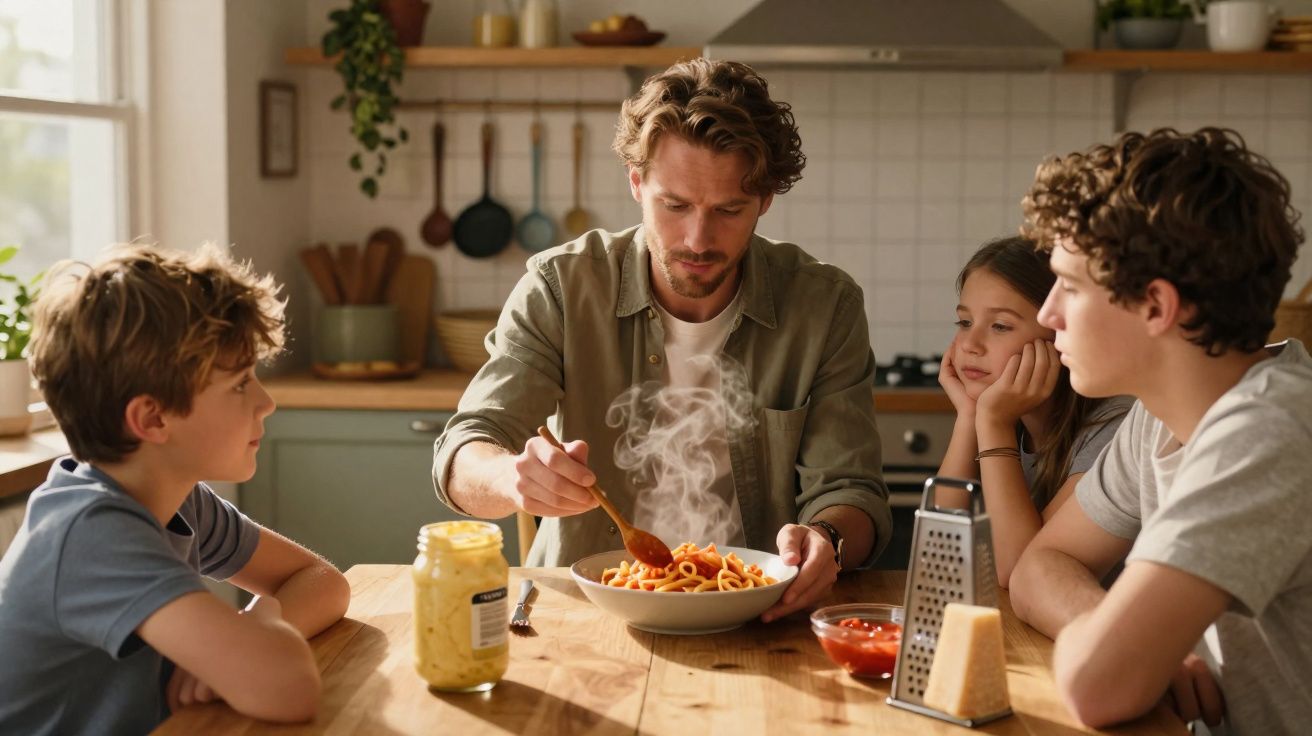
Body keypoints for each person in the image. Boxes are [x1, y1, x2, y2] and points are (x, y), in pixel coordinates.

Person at [432, 58, 891, 622]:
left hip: (760, 615)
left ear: (765, 200)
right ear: (636, 183)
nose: (699, 239)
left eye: (728, 210)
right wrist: (509, 477)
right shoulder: (560, 287)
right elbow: (463, 452)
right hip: (585, 616)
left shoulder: (825, 306)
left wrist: (827, 539)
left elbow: (853, 491)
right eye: (674, 206)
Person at [1007, 127, 1312, 733]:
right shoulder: (1159, 415)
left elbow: (1097, 688)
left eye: (1069, 287)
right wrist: (1116, 631)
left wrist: (1115, 650)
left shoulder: (1267, 434)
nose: (1047, 316)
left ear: (1156, 305)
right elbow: (1039, 567)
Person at [0, 244, 351, 733]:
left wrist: (250, 633)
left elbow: (322, 580)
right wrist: (263, 624)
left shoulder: (175, 497)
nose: (266, 402)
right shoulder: (91, 533)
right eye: (240, 383)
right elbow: (286, 689)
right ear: (153, 418)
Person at [936, 237, 1129, 585]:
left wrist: (991, 422)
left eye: (1000, 326)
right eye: (965, 323)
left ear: (1060, 329)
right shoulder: (1009, 417)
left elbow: (1019, 572)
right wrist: (969, 416)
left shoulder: (1114, 428)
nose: (970, 344)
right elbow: (937, 552)